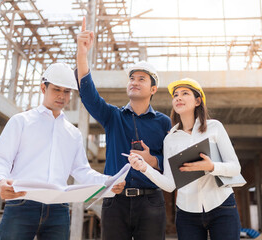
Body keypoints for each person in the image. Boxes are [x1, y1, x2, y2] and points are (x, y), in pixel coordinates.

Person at [0, 62, 125, 240]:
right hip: (22, 204)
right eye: (56, 89)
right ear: (43, 88)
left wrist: (109, 181)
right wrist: (0, 182)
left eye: (67, 91)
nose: (62, 96)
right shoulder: (20, 122)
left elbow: (81, 170)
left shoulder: (73, 133)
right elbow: (0, 159)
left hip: (58, 210)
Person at [76, 17, 171, 240]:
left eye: (141, 79)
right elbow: (89, 95)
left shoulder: (164, 122)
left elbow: (171, 165)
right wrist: (82, 54)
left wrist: (152, 160)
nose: (134, 82)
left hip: (150, 202)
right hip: (114, 202)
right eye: (131, 78)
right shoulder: (113, 117)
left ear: (153, 88)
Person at [128, 78, 242, 240]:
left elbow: (235, 167)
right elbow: (169, 184)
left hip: (222, 206)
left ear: (197, 101)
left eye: (185, 93)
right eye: (175, 95)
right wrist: (144, 168)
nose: (178, 98)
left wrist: (211, 167)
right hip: (187, 214)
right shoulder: (170, 139)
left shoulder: (215, 127)